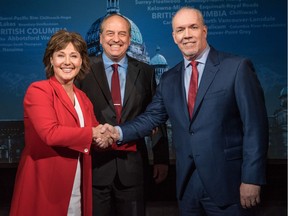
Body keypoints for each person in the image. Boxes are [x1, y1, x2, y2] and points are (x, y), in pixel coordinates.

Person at [103, 7, 269, 216]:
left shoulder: (236, 67)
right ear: (174, 37)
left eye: (193, 27)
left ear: (204, 31)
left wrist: (252, 178)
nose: (187, 35)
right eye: (180, 30)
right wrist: (117, 132)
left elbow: (256, 127)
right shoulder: (169, 78)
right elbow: (151, 117)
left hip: (229, 185)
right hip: (187, 188)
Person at [9, 30, 112, 216]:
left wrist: (107, 136)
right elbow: (50, 134)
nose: (67, 62)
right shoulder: (39, 91)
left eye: (74, 56)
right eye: (60, 55)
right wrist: (93, 133)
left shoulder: (83, 98)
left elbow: (95, 134)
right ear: (50, 60)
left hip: (77, 185)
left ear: (81, 62)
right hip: (45, 185)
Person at [76, 13, 169, 216]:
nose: (116, 39)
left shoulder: (146, 71)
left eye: (122, 34)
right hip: (95, 168)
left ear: (129, 39)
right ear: (100, 38)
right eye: (110, 33)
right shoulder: (82, 71)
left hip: (133, 168)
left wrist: (161, 158)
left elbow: (155, 116)